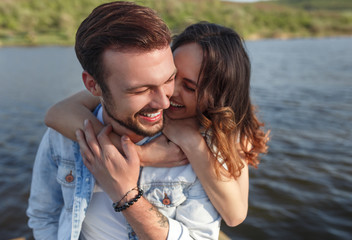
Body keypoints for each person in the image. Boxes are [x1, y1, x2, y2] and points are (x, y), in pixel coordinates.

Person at [45, 12, 270, 234]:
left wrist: (191, 142)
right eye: (171, 77)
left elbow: (235, 214)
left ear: (218, 97)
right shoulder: (132, 89)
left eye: (190, 87)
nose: (167, 95)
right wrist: (138, 153)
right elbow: (58, 113)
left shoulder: (223, 131)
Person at [27, 2, 222, 239]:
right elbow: (43, 216)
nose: (164, 103)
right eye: (140, 90)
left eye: (169, 79)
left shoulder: (194, 149)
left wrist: (128, 196)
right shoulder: (62, 136)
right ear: (92, 85)